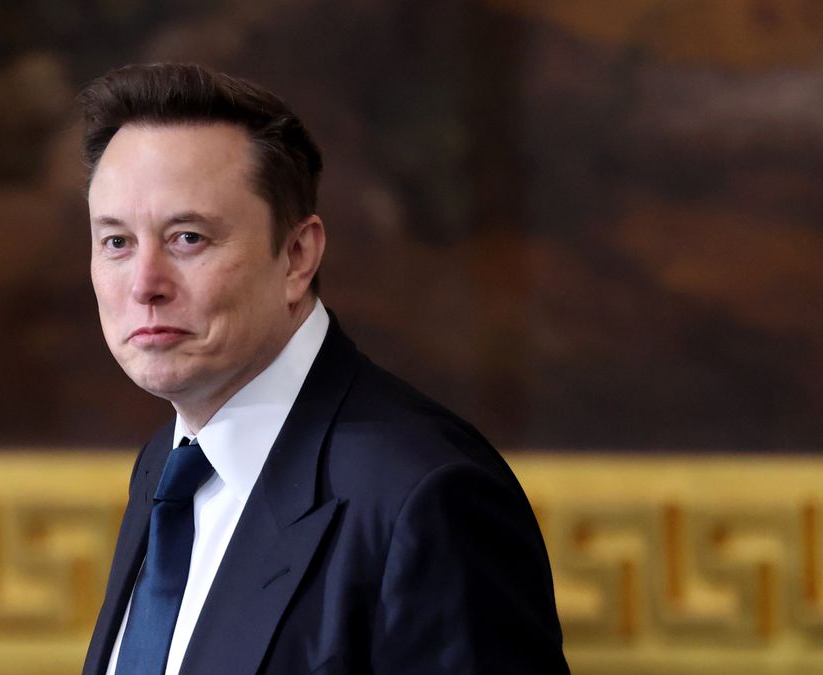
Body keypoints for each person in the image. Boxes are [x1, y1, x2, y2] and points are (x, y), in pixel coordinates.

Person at [79, 63, 568, 675]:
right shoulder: (168, 464)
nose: (144, 285)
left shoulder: (429, 495)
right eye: (117, 242)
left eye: (188, 238)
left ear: (297, 255)